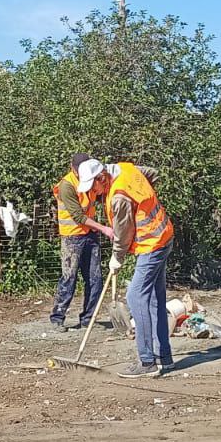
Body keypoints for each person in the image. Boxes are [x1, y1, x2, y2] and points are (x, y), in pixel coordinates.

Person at [77, 158, 174, 377]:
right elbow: (152, 173)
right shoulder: (126, 168)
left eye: (94, 187)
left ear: (102, 177)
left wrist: (116, 258)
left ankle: (147, 360)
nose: (94, 193)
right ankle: (164, 358)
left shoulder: (119, 197)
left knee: (135, 297)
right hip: (163, 234)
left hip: (152, 243)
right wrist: (143, 202)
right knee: (153, 299)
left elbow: (123, 233)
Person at [49, 153, 115, 332]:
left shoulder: (93, 177)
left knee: (95, 279)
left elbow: (102, 197)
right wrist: (104, 228)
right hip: (72, 237)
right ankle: (57, 318)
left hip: (90, 235)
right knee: (69, 277)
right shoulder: (66, 186)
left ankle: (88, 319)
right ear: (73, 168)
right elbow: (78, 216)